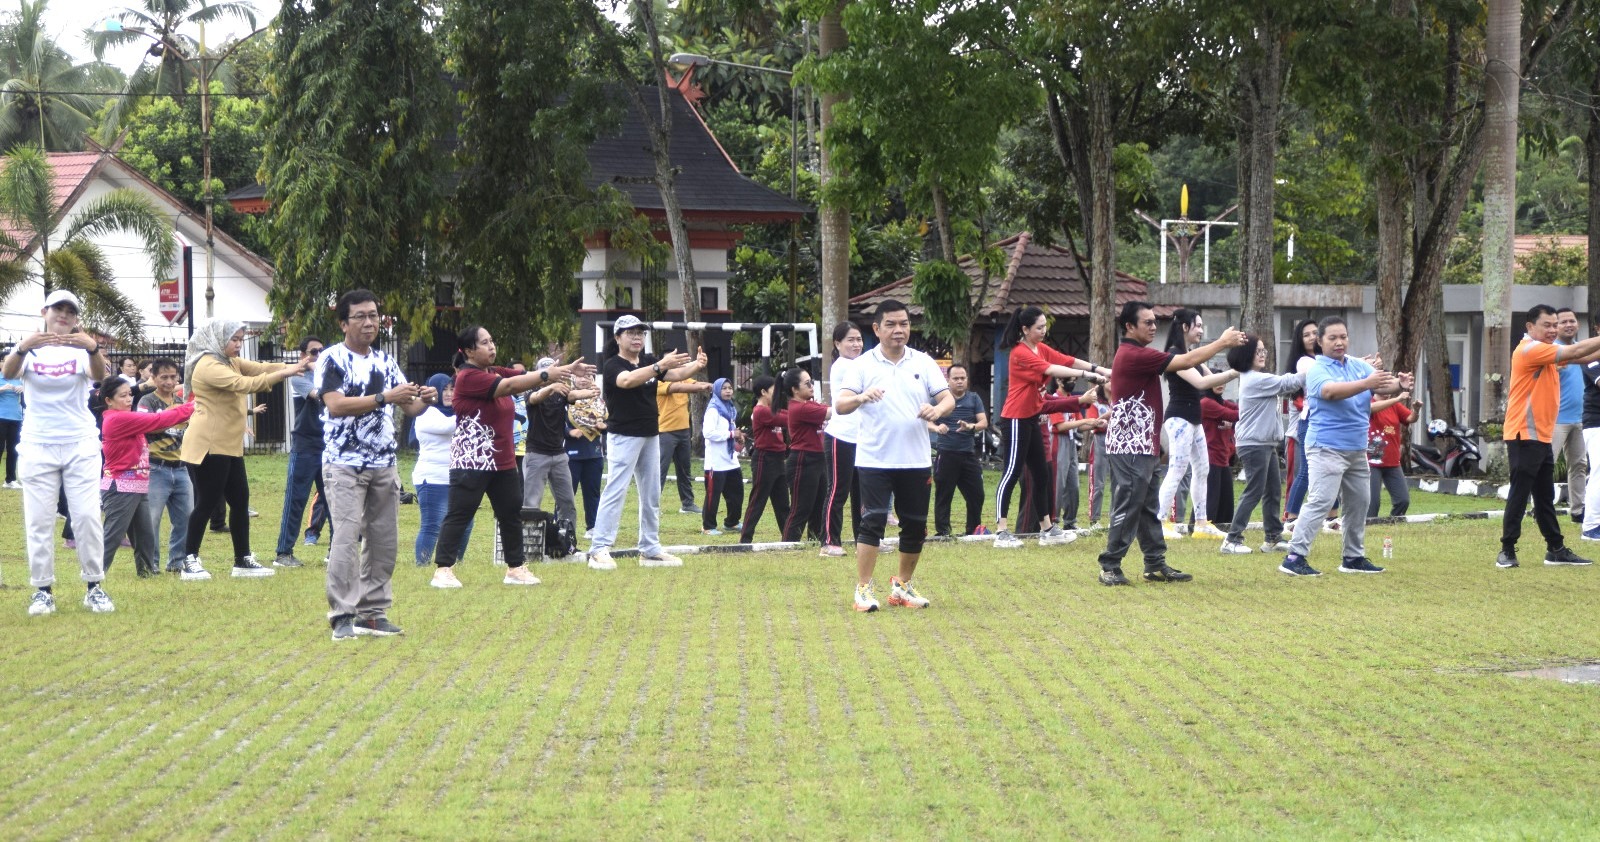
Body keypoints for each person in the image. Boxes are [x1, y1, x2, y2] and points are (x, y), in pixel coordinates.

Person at [431, 326, 594, 587]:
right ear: (470, 351)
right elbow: (509, 386)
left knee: (511, 513)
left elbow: (522, 375)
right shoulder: (468, 377)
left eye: (492, 340)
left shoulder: (492, 371)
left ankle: (515, 568)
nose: (492, 346)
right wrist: (547, 374)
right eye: (485, 342)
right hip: (473, 460)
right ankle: (443, 569)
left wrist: (563, 374)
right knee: (461, 513)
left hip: (502, 460)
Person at [1097, 301, 1245, 586]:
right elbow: (1187, 363)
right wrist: (1223, 343)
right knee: (1129, 504)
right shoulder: (1133, 354)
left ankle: (1154, 563)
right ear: (1129, 327)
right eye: (1147, 322)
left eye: (1155, 322)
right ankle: (1110, 565)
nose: (1154, 327)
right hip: (1130, 446)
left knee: (1147, 507)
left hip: (1144, 444)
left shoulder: (1140, 353)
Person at [317, 290, 438, 639]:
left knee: (384, 540)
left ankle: (372, 612)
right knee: (345, 538)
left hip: (384, 462)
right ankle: (342, 614)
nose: (370, 322)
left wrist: (424, 399)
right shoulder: (332, 359)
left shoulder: (386, 361)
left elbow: (409, 407)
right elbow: (336, 405)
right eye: (360, 316)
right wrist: (386, 397)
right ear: (344, 323)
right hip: (344, 464)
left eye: (374, 315)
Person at [834, 300, 954, 612]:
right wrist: (861, 396)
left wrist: (936, 409)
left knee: (914, 525)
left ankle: (902, 585)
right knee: (872, 521)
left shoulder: (923, 362)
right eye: (891, 324)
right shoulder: (863, 365)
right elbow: (841, 404)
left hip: (916, 459)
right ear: (876, 329)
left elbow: (947, 399)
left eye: (903, 324)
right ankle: (863, 589)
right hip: (875, 459)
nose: (898, 330)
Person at [4, 290, 110, 613]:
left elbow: (100, 376)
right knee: (39, 520)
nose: (63, 315)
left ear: (76, 318)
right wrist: (23, 346)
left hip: (79, 443)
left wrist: (92, 346)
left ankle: (94, 586)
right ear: (44, 312)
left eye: (70, 311)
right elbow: (8, 372)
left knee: (87, 517)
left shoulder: (81, 349)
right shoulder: (30, 349)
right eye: (57, 309)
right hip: (38, 444)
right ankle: (43, 591)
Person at [180, 319, 309, 580]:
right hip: (208, 444)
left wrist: (296, 366)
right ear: (217, 338)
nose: (239, 345)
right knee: (206, 503)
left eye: (241, 339)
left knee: (240, 502)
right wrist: (287, 373)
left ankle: (242, 559)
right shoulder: (208, 365)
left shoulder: (229, 361)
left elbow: (259, 367)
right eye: (235, 340)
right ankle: (189, 559)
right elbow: (245, 384)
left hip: (229, 445)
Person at [1278, 317, 1408, 576]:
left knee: (1359, 502)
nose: (1339, 342)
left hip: (1356, 448)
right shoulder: (1316, 369)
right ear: (1320, 341)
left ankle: (1353, 557)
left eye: (1343, 337)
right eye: (1332, 338)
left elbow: (1384, 383)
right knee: (1321, 501)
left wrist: (1400, 384)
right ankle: (1294, 557)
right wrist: (1367, 384)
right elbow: (1330, 392)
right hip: (1325, 446)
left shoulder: (1357, 365)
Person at [587, 314, 706, 569]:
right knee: (616, 490)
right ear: (618, 338)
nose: (637, 337)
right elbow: (627, 381)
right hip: (624, 436)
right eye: (631, 333)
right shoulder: (612, 365)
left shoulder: (650, 361)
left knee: (652, 493)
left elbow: (675, 374)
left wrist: (696, 365)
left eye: (641, 333)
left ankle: (650, 549)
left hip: (651, 434)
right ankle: (599, 548)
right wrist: (658, 366)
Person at [992, 305, 1109, 548]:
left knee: (1042, 472)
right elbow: (1051, 369)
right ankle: (1001, 531)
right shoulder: (1020, 353)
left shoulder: (1040, 348)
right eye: (1039, 327)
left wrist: (1098, 368)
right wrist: (1091, 377)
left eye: (1045, 326)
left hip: (1032, 417)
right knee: (1011, 472)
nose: (1044, 331)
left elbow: (1067, 359)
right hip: (1015, 419)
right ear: (1025, 329)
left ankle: (1047, 528)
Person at [1497, 304, 1600, 569]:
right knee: (1520, 494)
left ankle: (1555, 549)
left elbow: (1579, 357)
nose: (1553, 329)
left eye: (1555, 325)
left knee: (1544, 495)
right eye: (1548, 325)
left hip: (1541, 435)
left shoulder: (1546, 351)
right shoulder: (1530, 349)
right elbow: (1576, 350)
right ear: (1530, 327)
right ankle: (1507, 549)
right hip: (1524, 433)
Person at [97, 376, 196, 577]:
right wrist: (193, 406)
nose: (128, 399)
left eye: (130, 395)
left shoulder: (126, 417)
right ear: (109, 400)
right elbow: (158, 420)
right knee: (112, 536)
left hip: (138, 486)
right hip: (121, 488)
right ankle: (94, 574)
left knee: (145, 536)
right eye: (122, 396)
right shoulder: (117, 419)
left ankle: (147, 572)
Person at [1156, 309, 1241, 540]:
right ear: (1185, 327)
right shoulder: (1175, 356)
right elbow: (1202, 381)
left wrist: (1233, 367)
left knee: (1203, 469)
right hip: (1179, 419)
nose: (1201, 331)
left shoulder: (1190, 354)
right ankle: (1160, 521)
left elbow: (1209, 375)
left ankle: (1202, 524)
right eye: (1198, 326)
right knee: (1177, 469)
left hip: (1194, 420)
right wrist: (1235, 372)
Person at [1220, 335, 1304, 555]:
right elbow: (1288, 383)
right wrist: (1316, 370)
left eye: (1263, 351)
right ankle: (1232, 539)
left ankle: (1273, 538)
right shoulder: (1254, 379)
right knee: (1254, 491)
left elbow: (1286, 385)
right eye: (1258, 351)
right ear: (1247, 354)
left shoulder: (1256, 378)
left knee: (1273, 491)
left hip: (1263, 443)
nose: (1262, 355)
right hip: (1254, 443)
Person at [523, 357, 598, 538]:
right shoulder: (531, 391)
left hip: (559, 455)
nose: (552, 376)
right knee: (531, 503)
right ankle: (527, 543)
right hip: (536, 455)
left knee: (567, 503)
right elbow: (536, 398)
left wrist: (588, 392)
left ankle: (567, 542)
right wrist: (551, 387)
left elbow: (571, 396)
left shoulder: (561, 391)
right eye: (547, 372)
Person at [138, 359, 193, 573]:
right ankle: (150, 564)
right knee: (151, 519)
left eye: (173, 377)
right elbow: (145, 425)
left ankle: (177, 562)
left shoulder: (181, 401)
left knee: (187, 517)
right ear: (154, 378)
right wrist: (170, 418)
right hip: (155, 468)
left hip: (181, 468)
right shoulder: (147, 401)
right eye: (164, 377)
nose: (169, 382)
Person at [413, 373, 472, 567]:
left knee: (465, 524)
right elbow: (450, 427)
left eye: (452, 389)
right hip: (432, 477)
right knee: (432, 525)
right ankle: (422, 564)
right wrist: (474, 408)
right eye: (444, 389)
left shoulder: (457, 411)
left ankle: (455, 562)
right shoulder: (426, 413)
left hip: (456, 476)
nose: (448, 394)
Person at [821, 322, 865, 557]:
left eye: (859, 339)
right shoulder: (843, 366)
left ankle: (865, 540)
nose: (856, 344)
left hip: (862, 439)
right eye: (851, 340)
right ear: (837, 344)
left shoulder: (861, 364)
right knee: (838, 489)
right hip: (841, 437)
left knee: (863, 492)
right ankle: (829, 541)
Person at [931, 363, 989, 537]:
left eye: (962, 378)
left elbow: (983, 423)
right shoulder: (939, 399)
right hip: (946, 453)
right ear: (948, 380)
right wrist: (936, 428)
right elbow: (925, 421)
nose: (959, 382)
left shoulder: (973, 398)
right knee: (944, 494)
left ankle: (973, 529)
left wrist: (970, 426)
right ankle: (943, 532)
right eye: (955, 378)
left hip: (968, 454)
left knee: (977, 494)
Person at [273, 383, 327, 569]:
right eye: (313, 352)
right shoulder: (300, 376)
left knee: (336, 501)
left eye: (321, 352)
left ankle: (337, 551)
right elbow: (322, 395)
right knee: (295, 500)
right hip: (305, 447)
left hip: (331, 447)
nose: (317, 356)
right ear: (303, 354)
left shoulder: (334, 371)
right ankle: (284, 552)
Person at [738, 374, 791, 544]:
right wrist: (802, 413)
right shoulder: (760, 411)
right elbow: (787, 418)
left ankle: (788, 538)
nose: (777, 394)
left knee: (782, 503)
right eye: (774, 390)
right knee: (758, 501)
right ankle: (745, 539)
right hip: (764, 459)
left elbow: (785, 414)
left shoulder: (771, 410)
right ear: (763, 392)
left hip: (778, 459)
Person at [781, 367, 830, 542]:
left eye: (812, 382)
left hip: (818, 459)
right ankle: (787, 544)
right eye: (807, 383)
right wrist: (857, 399)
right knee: (801, 508)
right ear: (795, 389)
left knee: (819, 506)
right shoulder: (799, 408)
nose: (811, 386)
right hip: (803, 459)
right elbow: (832, 412)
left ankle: (814, 540)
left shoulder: (809, 404)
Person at [1283, 319, 1320, 525]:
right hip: (1298, 434)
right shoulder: (1304, 364)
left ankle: (1330, 518)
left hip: (1320, 430)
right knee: (1299, 476)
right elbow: (1300, 402)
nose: (1312, 337)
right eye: (1306, 335)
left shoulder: (1325, 360)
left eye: (1315, 333)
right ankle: (1289, 517)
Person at [658, 371, 712, 514]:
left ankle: (687, 504)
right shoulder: (659, 381)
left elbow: (696, 384)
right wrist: (703, 387)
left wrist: (716, 386)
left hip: (683, 431)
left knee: (684, 469)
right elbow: (679, 388)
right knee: (660, 470)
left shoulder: (684, 379)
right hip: (665, 432)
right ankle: (653, 505)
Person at [1552, 307, 1587, 523]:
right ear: (1555, 326)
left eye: (1572, 321)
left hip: (1581, 419)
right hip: (1555, 420)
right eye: (1563, 322)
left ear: (1578, 324)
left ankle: (1578, 510)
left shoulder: (1582, 350)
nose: (1568, 325)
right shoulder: (1552, 351)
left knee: (1579, 465)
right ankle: (1541, 508)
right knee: (1547, 465)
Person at [701, 377, 744, 535]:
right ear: (717, 391)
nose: (728, 391)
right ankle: (708, 526)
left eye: (730, 388)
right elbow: (708, 433)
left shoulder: (730, 408)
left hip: (730, 459)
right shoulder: (713, 409)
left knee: (737, 493)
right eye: (724, 388)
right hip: (716, 462)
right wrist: (731, 434)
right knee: (713, 496)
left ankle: (732, 522)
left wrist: (737, 436)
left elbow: (730, 431)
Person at [566, 379, 607, 537]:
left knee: (593, 493)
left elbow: (609, 423)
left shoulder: (599, 402)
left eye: (588, 376)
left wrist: (605, 427)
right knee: (567, 493)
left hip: (594, 453)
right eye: (580, 376)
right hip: (571, 455)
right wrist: (569, 432)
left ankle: (593, 527)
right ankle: (563, 526)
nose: (584, 379)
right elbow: (556, 424)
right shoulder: (567, 400)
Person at [1366, 392, 1416, 518]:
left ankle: (1392, 524)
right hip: (1372, 462)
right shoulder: (1368, 402)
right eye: (1386, 386)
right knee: (1372, 503)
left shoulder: (1395, 405)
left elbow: (1410, 418)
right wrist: (1397, 398)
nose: (1389, 390)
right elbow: (1371, 409)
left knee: (1403, 500)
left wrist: (1417, 410)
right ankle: (1368, 528)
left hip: (1393, 462)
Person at [1200, 385, 1238, 528]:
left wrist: (1232, 422)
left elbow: (1237, 411)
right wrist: (1231, 419)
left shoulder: (1222, 402)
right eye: (1216, 381)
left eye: (1223, 381)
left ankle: (1223, 526)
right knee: (1211, 496)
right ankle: (1203, 525)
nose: (1220, 384)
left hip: (1223, 457)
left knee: (1226, 498)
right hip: (1209, 457)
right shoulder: (1206, 403)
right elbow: (1235, 414)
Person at [1084, 391, 1110, 527]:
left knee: (1118, 483)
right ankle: (1094, 519)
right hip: (1100, 440)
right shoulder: (1095, 403)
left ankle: (1116, 517)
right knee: (1098, 482)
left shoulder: (1117, 400)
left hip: (1116, 442)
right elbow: (1093, 423)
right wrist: (1105, 421)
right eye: (1108, 381)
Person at [0, 367, 22, 489]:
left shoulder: (18, 379)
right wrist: (2, 389)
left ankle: (10, 480)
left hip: (16, 418)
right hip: (0, 417)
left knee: (13, 449)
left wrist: (23, 389)